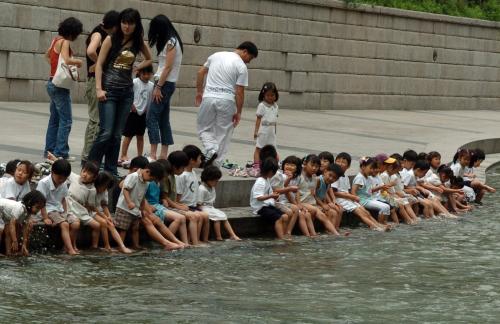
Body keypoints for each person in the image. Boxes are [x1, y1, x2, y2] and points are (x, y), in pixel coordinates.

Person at [89, 8, 153, 176]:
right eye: (124, 22)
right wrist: (98, 88)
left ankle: (110, 169)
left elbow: (149, 58)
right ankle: (90, 166)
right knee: (106, 132)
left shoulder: (138, 41)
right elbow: (100, 64)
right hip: (108, 91)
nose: (126, 26)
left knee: (117, 135)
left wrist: (137, 67)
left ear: (136, 25)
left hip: (126, 92)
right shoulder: (111, 39)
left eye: (130, 23)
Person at [195, 41, 258, 166]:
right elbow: (239, 91)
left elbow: (200, 72)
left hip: (209, 97)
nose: (248, 61)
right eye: (249, 58)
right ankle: (216, 162)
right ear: (245, 51)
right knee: (223, 133)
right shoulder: (241, 66)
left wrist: (199, 92)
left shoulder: (216, 55)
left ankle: (210, 148)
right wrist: (238, 112)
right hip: (227, 100)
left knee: (203, 128)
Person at [81, 10, 120, 165]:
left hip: (101, 82)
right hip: (94, 82)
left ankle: (92, 156)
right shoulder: (98, 33)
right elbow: (91, 50)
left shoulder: (105, 33)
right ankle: (88, 157)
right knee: (96, 121)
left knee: (99, 121)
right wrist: (100, 64)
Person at [44, 17, 83, 161]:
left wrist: (55, 68)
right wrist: (78, 62)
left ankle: (49, 151)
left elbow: (47, 56)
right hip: (60, 86)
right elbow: (67, 60)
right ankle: (60, 153)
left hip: (51, 81)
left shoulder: (55, 40)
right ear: (73, 32)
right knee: (66, 121)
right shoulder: (65, 42)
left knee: (54, 120)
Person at [147, 15, 184, 161]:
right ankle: (163, 153)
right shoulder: (173, 40)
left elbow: (168, 67)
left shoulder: (171, 42)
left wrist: (158, 87)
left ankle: (153, 154)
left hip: (164, 83)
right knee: (163, 119)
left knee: (151, 118)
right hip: (165, 83)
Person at [332, 153, 387, 231]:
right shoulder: (335, 177)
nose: (340, 164)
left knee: (365, 211)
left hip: (347, 199)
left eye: (343, 162)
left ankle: (377, 224)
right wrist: (351, 197)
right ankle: (374, 226)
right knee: (360, 212)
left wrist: (351, 197)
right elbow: (334, 193)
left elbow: (347, 191)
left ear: (348, 166)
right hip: (340, 199)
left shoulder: (346, 177)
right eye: (338, 161)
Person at [36, 159, 80, 255]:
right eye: (59, 177)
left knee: (76, 223)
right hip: (48, 209)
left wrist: (65, 212)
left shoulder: (63, 183)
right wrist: (45, 218)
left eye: (64, 178)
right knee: (64, 224)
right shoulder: (43, 183)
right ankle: (70, 250)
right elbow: (41, 202)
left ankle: (67, 246)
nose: (61, 180)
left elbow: (63, 199)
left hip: (58, 208)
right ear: (52, 172)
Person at [119, 65, 155, 165]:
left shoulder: (151, 85)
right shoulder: (135, 82)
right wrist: (131, 105)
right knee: (128, 135)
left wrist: (148, 111)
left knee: (140, 135)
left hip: (143, 114)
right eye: (144, 74)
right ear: (139, 73)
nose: (146, 76)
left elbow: (150, 99)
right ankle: (123, 155)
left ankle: (139, 156)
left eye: (149, 74)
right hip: (132, 112)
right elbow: (128, 94)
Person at [176, 145, 210, 244]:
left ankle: (201, 240)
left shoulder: (193, 173)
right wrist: (180, 205)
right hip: (184, 206)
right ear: (191, 160)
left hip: (193, 206)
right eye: (199, 158)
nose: (201, 160)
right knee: (197, 216)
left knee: (205, 216)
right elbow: (178, 195)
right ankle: (194, 242)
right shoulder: (182, 176)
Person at [298, 154, 339, 235]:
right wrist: (298, 204)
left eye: (316, 166)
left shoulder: (314, 177)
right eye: (312, 165)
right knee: (315, 210)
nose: (314, 168)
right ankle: (313, 235)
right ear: (305, 163)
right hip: (302, 202)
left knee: (327, 214)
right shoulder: (300, 177)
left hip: (311, 203)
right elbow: (296, 192)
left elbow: (313, 193)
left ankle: (335, 233)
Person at [93, 172, 132, 253]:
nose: (104, 189)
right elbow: (92, 207)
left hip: (98, 211)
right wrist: (105, 217)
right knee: (105, 222)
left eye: (106, 187)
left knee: (110, 223)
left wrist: (109, 215)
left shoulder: (105, 191)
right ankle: (107, 246)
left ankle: (121, 246)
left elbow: (104, 205)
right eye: (104, 186)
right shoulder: (92, 190)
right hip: (91, 211)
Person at [198, 165, 241, 241]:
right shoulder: (202, 189)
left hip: (210, 207)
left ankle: (233, 235)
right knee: (217, 217)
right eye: (215, 181)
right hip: (204, 208)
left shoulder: (212, 187)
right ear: (208, 179)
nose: (216, 183)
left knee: (223, 215)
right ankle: (218, 236)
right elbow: (199, 204)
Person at [250, 158, 289, 239]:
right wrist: (271, 196)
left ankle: (285, 235)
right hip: (260, 207)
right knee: (278, 218)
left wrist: (274, 196)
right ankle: (281, 238)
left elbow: (270, 193)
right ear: (271, 171)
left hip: (267, 205)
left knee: (285, 216)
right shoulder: (260, 181)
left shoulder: (266, 180)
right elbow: (259, 197)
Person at [0, 190, 46, 256]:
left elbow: (25, 227)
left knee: (8, 233)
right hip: (1, 207)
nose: (38, 210)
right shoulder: (20, 208)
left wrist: (24, 244)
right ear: (30, 202)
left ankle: (8, 253)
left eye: (40, 208)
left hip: (5, 213)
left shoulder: (28, 212)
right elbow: (12, 224)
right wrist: (15, 240)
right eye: (37, 207)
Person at [352, 157, 392, 224]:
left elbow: (370, 190)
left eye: (374, 169)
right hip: (363, 201)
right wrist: (357, 204)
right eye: (371, 168)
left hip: (369, 199)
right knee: (385, 207)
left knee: (387, 206)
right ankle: (381, 224)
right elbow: (353, 191)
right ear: (363, 167)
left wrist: (380, 187)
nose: (373, 171)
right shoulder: (360, 178)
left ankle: (384, 223)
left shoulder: (368, 177)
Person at [253, 82, 279, 166]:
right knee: (259, 148)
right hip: (263, 131)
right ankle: (256, 165)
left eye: (272, 95)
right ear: (263, 95)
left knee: (273, 149)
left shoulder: (276, 106)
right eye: (268, 95)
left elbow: (275, 120)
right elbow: (258, 119)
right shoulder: (262, 106)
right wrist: (256, 131)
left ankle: (273, 164)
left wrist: (275, 132)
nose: (270, 97)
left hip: (271, 133)